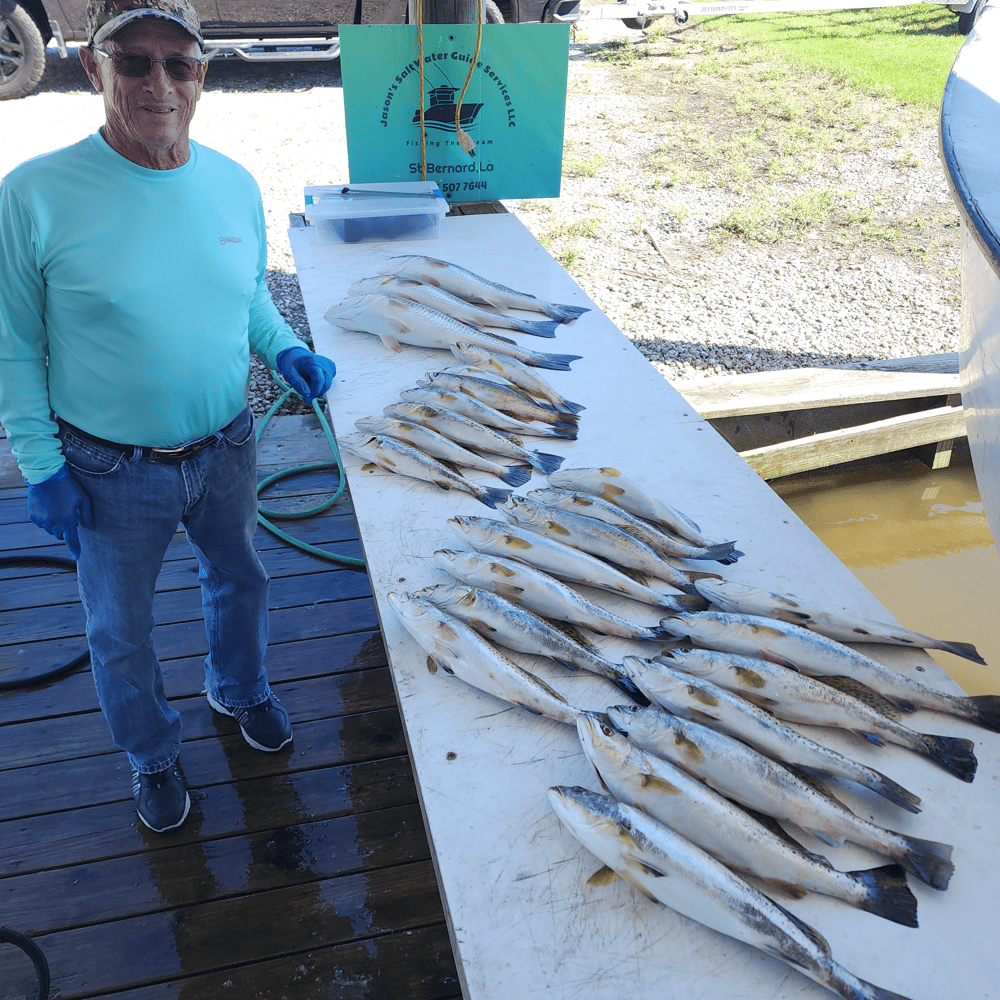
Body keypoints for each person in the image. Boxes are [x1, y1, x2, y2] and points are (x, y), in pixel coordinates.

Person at [0, 0, 337, 833]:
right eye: (135, 61)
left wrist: (284, 347)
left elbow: (248, 293)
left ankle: (239, 686)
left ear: (202, 75)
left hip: (227, 444)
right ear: (93, 66)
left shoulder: (232, 181)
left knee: (242, 578)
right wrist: (42, 468)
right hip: (108, 469)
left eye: (178, 63)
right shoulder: (35, 194)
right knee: (120, 631)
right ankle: (151, 753)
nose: (159, 83)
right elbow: (13, 346)